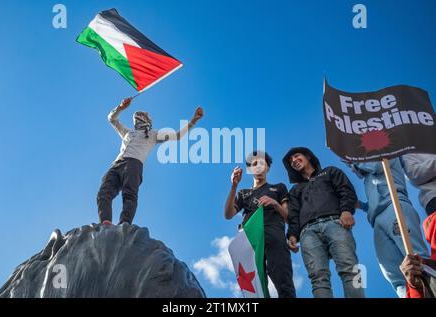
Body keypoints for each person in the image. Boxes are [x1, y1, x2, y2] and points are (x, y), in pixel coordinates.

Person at [97, 97, 203, 225]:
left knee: (129, 195)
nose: (139, 118)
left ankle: (124, 224)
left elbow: (177, 136)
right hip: (117, 164)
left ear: (148, 121)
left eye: (143, 116)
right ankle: (105, 222)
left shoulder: (153, 134)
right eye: (138, 116)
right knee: (103, 192)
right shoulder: (127, 132)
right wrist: (121, 107)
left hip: (134, 164)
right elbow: (111, 119)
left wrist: (193, 121)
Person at [283, 147, 365, 298]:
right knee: (318, 278)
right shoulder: (295, 190)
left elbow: (346, 190)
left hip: (336, 223)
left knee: (351, 269)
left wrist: (346, 210)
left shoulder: (330, 172)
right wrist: (292, 235)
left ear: (308, 156)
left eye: (296, 156)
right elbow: (293, 215)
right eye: (290, 161)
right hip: (308, 233)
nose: (294, 161)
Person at [348, 158, 429, 297]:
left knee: (417, 259)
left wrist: (354, 161)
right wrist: (360, 205)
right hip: (377, 220)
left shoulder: (387, 154)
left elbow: (378, 166)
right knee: (395, 276)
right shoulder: (368, 179)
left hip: (395, 206)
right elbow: (374, 202)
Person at [224, 151, 296, 298]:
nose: (259, 166)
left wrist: (275, 203)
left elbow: (287, 216)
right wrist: (233, 186)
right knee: (255, 287)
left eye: (262, 163)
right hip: (250, 241)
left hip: (274, 236)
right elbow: (228, 214)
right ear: (250, 169)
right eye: (254, 164)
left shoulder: (279, 188)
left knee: (283, 281)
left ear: (268, 168)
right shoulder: (243, 193)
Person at [400, 153, 436, 297]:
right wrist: (415, 285)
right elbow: (414, 173)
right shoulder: (412, 149)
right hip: (433, 197)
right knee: (416, 266)